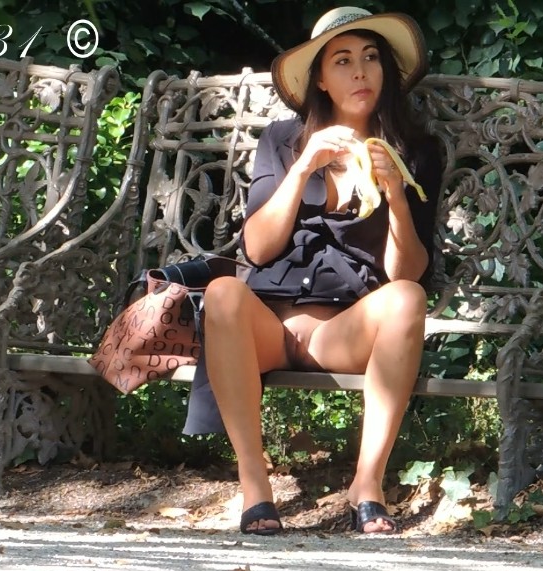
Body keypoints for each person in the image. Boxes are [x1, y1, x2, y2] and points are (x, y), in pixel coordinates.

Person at [190, 6, 444, 535]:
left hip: (343, 332)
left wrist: (397, 196)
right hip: (269, 327)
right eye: (343, 61)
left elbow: (408, 272)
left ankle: (367, 485)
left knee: (407, 299)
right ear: (322, 80)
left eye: (371, 58)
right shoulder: (282, 141)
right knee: (222, 293)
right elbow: (258, 249)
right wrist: (304, 165)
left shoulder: (414, 152)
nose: (360, 72)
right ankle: (256, 488)